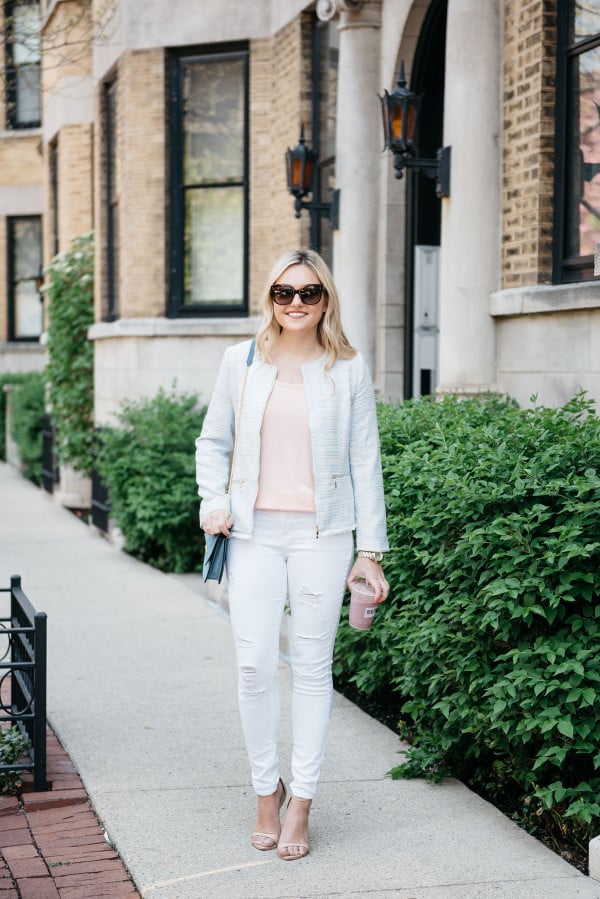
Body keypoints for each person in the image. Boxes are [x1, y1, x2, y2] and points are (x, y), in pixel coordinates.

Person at [195, 248, 389, 861]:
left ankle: (300, 800)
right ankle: (265, 790)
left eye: (309, 293)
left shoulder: (347, 368)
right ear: (270, 298)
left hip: (322, 537)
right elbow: (212, 440)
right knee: (252, 665)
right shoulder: (241, 362)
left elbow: (365, 460)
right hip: (252, 533)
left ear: (326, 299)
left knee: (310, 667)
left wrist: (371, 549)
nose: (296, 303)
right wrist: (212, 501)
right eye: (284, 292)